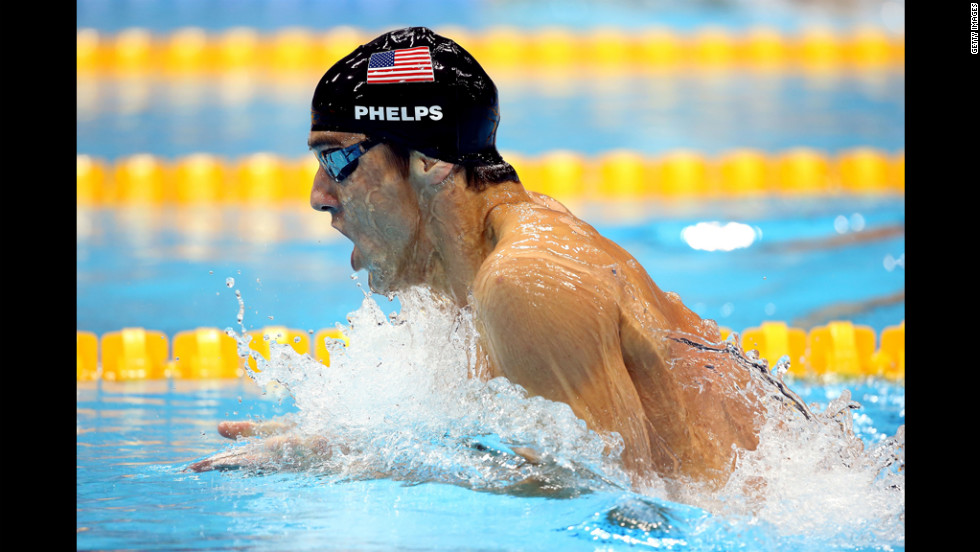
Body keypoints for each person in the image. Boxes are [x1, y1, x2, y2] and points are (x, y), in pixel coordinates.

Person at [189, 27, 767, 488]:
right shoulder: (483, 266)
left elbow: (622, 494)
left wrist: (375, 460)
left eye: (338, 160)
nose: (319, 195)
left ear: (428, 162)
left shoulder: (524, 281)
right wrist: (348, 433)